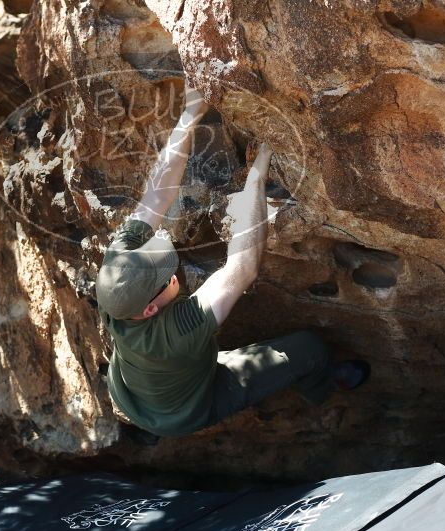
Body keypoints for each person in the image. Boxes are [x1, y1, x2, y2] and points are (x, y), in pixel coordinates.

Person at [95, 80, 370, 439]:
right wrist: (255, 180)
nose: (173, 268)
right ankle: (321, 389)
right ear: (148, 311)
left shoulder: (116, 277)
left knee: (192, 356)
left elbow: (156, 196)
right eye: (166, 277)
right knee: (310, 349)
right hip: (190, 407)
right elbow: (242, 269)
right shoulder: (173, 335)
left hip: (138, 388)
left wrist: (189, 116)